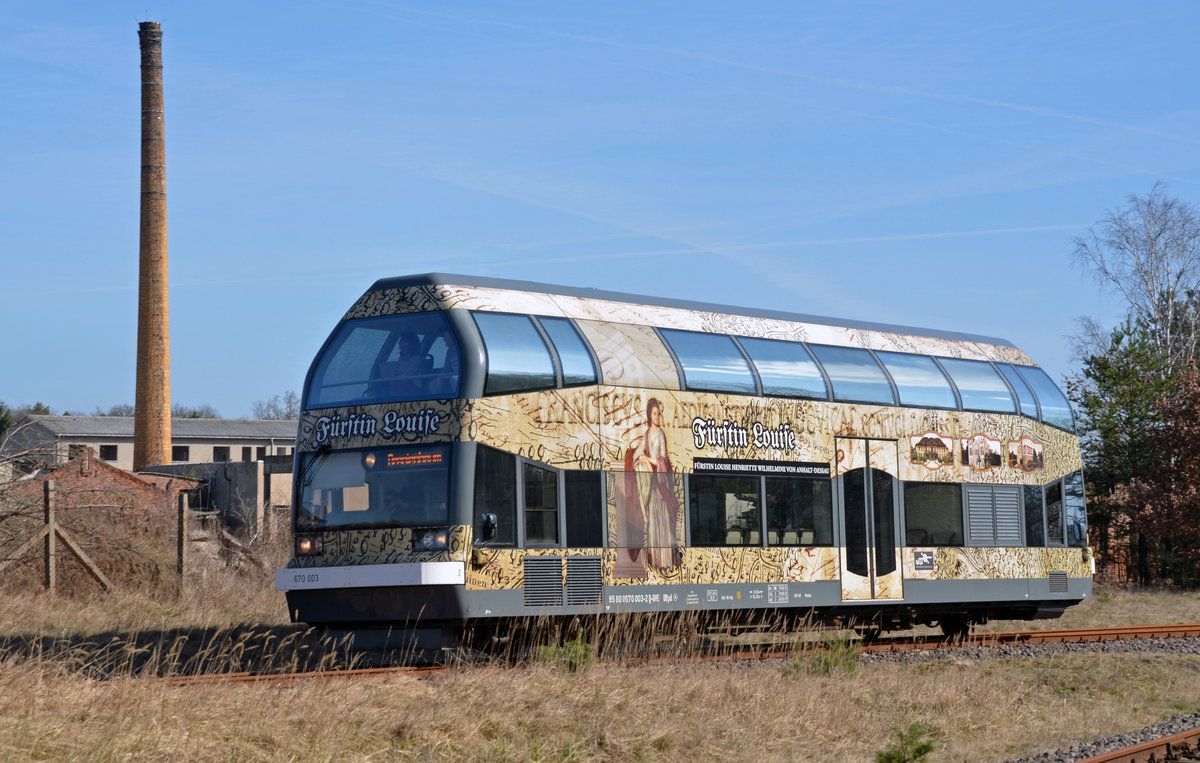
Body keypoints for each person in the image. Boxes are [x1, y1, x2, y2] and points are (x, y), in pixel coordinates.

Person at [633, 398, 679, 570]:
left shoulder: (661, 434)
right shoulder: (646, 435)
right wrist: (641, 458)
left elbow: (664, 458)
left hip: (661, 483)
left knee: (663, 519)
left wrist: (648, 459)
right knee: (653, 520)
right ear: (649, 415)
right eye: (654, 413)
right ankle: (655, 560)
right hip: (651, 484)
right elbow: (638, 453)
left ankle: (666, 560)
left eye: (659, 413)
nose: (657, 416)